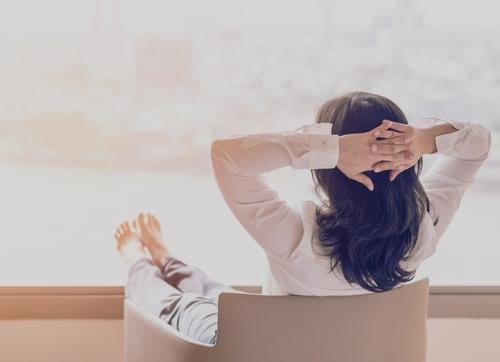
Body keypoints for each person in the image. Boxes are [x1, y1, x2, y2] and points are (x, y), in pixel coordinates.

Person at [115, 91, 491, 344]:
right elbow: (478, 146)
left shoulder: (297, 238)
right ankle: (167, 258)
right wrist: (425, 140)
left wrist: (331, 150)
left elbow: (226, 156)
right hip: (293, 342)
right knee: (217, 294)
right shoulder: (424, 232)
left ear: (327, 170)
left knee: (179, 304)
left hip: (253, 350)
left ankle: (139, 258)